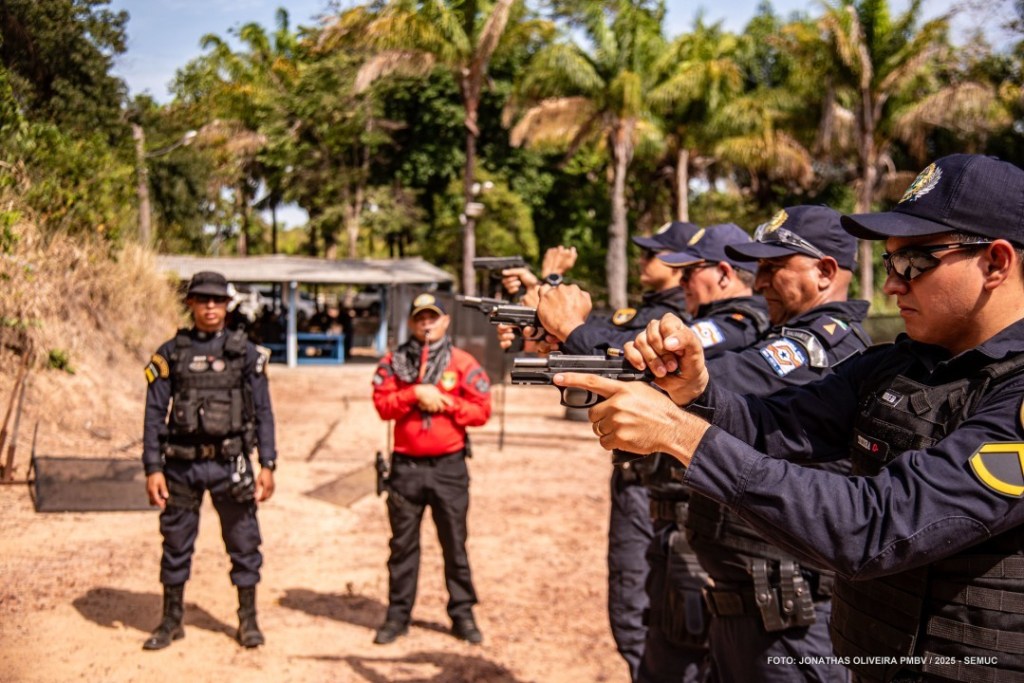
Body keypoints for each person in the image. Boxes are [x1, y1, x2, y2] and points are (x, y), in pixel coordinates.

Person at [560, 154, 1024, 683]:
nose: (893, 284)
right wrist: (695, 393)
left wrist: (680, 433)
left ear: (996, 262)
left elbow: (875, 526)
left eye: (914, 263)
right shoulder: (896, 367)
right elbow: (774, 425)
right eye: (891, 264)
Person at [638, 211, 871, 683]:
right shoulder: (782, 334)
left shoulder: (822, 345)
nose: (758, 281)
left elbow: (730, 381)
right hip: (748, 601)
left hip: (788, 614)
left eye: (773, 267)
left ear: (825, 272)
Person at [530, 223, 698, 682]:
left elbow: (600, 341)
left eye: (655, 253)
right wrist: (544, 304)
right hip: (642, 478)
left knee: (655, 617)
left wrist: (554, 295)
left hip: (667, 485)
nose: (644, 259)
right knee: (634, 612)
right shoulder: (646, 312)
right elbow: (586, 334)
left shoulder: (686, 321)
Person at [141, 271, 277, 651]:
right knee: (176, 543)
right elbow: (154, 413)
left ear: (227, 306)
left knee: (244, 542)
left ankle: (247, 621)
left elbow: (264, 412)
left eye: (217, 301)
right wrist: (152, 467)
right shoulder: (170, 353)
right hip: (181, 467)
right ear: (191, 304)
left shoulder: (246, 353)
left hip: (230, 465)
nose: (211, 307)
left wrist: (268, 462)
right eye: (203, 300)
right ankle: (171, 621)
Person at [371, 292, 492, 645]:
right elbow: (383, 405)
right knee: (402, 546)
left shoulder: (463, 363)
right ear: (411, 322)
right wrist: (415, 394)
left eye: (433, 317)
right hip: (405, 468)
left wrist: (446, 402)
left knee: (455, 544)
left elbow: (481, 411)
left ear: (446, 321)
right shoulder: (395, 362)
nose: (427, 323)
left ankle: (462, 613)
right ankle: (397, 615)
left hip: (449, 468)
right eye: (420, 317)